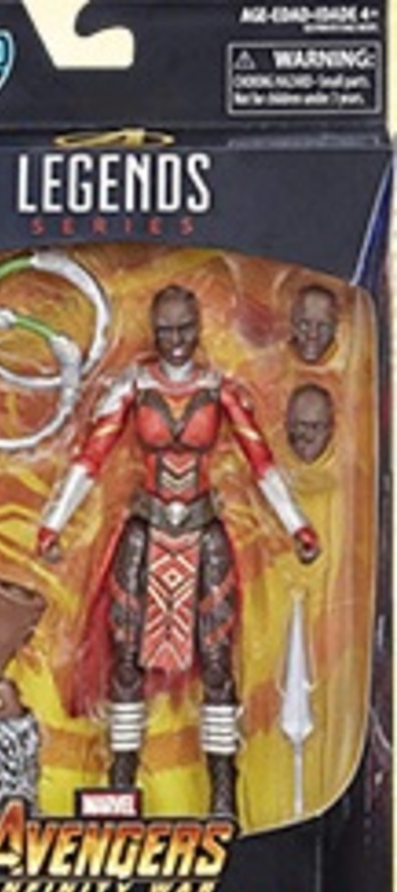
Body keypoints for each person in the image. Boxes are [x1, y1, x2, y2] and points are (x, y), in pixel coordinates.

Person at [38, 285, 320, 817]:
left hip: (203, 530)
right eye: (165, 329)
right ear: (153, 330)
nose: (175, 340)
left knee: (216, 662)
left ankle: (223, 801)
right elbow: (91, 456)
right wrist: (53, 523)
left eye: (184, 328)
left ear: (198, 327)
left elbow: (260, 460)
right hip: (144, 531)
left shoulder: (220, 390)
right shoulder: (131, 386)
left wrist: (297, 525)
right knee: (125, 660)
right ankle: (120, 790)